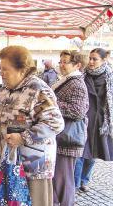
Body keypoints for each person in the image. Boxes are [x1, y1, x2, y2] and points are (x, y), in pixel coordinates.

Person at [0, 46, 64, 206]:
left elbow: (55, 123)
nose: (1, 73)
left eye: (5, 69)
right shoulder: (6, 89)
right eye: (0, 69)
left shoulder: (38, 90)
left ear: (21, 70)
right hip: (9, 161)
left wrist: (23, 138)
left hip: (31, 167)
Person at [51, 50, 89, 206]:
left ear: (77, 65)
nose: (61, 65)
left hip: (68, 138)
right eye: (60, 61)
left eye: (65, 62)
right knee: (58, 177)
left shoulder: (77, 83)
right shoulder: (67, 80)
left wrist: (52, 104)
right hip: (62, 136)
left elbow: (77, 111)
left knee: (64, 178)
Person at [74, 48, 113, 192]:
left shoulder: (109, 77)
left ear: (103, 60)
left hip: (99, 121)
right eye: (90, 58)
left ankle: (84, 180)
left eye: (94, 59)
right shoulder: (82, 75)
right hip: (83, 118)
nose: (90, 62)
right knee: (79, 152)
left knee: (92, 155)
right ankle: (76, 182)